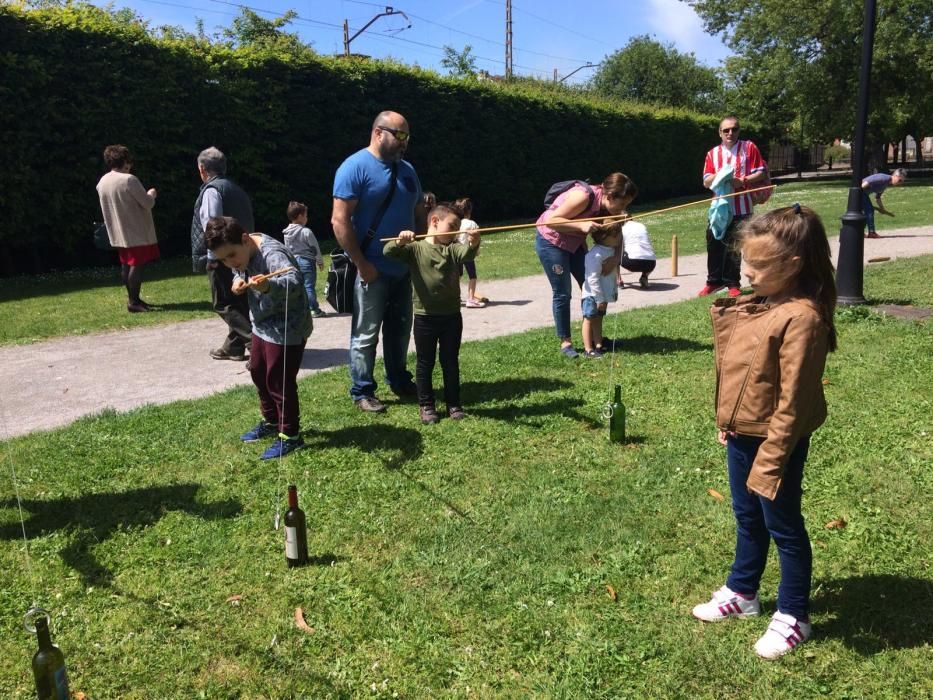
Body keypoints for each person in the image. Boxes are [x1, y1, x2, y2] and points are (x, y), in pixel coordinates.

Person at [692, 203, 837, 660]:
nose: (747, 272)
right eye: (745, 262)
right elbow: (742, 371)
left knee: (783, 524)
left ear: (792, 264)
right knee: (746, 515)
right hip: (743, 434)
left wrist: (772, 459)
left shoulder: (803, 318)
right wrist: (729, 423)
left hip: (778, 440)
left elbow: (792, 403)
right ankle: (744, 591)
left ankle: (795, 615)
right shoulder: (765, 304)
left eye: (758, 264)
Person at [331, 111, 425, 413]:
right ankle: (362, 390)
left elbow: (419, 212)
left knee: (400, 330)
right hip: (371, 269)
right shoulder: (354, 167)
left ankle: (398, 379)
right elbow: (339, 220)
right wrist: (361, 263)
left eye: (407, 136)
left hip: (403, 268)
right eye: (399, 135)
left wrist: (420, 249)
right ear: (378, 132)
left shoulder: (408, 170)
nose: (404, 143)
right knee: (366, 332)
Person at [204, 216, 313, 460]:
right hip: (262, 323)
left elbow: (295, 283)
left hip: (288, 326)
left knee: (278, 378)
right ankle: (271, 421)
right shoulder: (240, 251)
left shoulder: (273, 255)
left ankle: (290, 435)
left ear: (245, 239)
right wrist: (237, 280)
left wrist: (267, 287)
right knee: (257, 370)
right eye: (223, 259)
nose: (229, 262)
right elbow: (237, 270)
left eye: (230, 255)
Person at [384, 202, 480, 424]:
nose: (457, 230)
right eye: (453, 225)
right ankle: (426, 405)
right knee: (425, 363)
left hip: (451, 317)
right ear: (435, 222)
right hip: (425, 318)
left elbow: (466, 253)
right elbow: (388, 251)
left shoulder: (452, 248)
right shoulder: (415, 249)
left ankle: (454, 404)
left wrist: (475, 242)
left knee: (450, 361)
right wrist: (400, 240)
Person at [535, 173, 638, 359]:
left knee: (591, 288)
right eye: (622, 204)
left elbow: (617, 234)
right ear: (609, 196)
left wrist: (616, 258)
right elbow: (552, 221)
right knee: (563, 292)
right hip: (552, 241)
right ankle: (565, 342)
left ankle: (596, 340)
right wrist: (581, 225)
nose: (623, 209)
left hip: (575, 243)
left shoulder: (610, 209)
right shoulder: (583, 196)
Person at [191, 147, 255, 362]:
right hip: (243, 252)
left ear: (202, 169)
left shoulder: (211, 191)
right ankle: (233, 348)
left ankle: (254, 344)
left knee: (223, 303)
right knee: (237, 302)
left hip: (222, 255)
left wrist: (212, 258)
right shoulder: (236, 189)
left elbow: (213, 226)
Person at [699, 116, 768, 298]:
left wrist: (742, 180)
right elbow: (706, 181)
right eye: (726, 130)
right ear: (720, 133)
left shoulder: (749, 147)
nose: (730, 133)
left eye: (734, 129)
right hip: (719, 207)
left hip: (742, 206)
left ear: (739, 131)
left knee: (735, 244)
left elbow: (761, 172)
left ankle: (732, 283)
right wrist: (720, 176)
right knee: (714, 242)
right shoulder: (712, 153)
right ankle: (713, 281)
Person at [96, 144, 160, 313]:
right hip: (135, 229)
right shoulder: (129, 180)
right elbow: (147, 203)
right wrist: (152, 194)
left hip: (117, 230)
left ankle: (135, 299)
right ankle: (133, 301)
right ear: (124, 160)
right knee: (136, 265)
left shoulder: (103, 181)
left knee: (126, 265)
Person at [581, 225, 621, 358]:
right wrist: (599, 299)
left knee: (598, 319)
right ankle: (588, 349)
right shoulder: (595, 254)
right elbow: (592, 279)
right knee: (589, 319)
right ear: (604, 237)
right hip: (592, 296)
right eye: (615, 235)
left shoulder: (611, 250)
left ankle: (598, 344)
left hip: (602, 296)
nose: (618, 237)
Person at [283, 201, 326, 318]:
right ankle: (314, 309)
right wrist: (320, 261)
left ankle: (302, 309)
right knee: (309, 286)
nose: (307, 218)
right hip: (307, 262)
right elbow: (314, 248)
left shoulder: (286, 233)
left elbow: (287, 250)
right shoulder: (306, 231)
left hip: (294, 262)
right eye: (306, 215)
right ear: (301, 216)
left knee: (299, 286)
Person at [454, 197, 485, 308]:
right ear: (469, 211)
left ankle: (455, 298)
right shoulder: (472, 224)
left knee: (458, 275)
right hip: (467, 253)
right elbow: (477, 239)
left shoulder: (455, 224)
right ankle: (470, 299)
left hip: (457, 253)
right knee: (472, 276)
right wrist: (476, 252)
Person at [861, 168, 906, 238]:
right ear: (895, 175)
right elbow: (867, 181)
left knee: (865, 212)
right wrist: (857, 192)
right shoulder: (883, 178)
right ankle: (871, 233)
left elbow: (877, 198)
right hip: (860, 192)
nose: (899, 183)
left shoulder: (886, 184)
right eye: (899, 180)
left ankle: (860, 232)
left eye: (901, 182)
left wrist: (882, 209)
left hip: (863, 194)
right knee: (869, 210)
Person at [619, 220, 657, 289]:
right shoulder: (641, 225)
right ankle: (644, 277)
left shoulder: (622, 229)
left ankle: (619, 281)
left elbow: (619, 247)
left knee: (614, 253)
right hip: (651, 263)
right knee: (648, 254)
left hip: (631, 263)